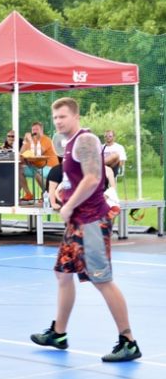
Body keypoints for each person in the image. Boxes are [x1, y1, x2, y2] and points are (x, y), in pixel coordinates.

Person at [30, 97, 141, 362]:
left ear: (75, 117)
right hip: (77, 221)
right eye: (55, 118)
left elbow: (92, 178)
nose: (58, 122)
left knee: (102, 280)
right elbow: (74, 178)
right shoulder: (66, 144)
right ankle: (59, 333)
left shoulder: (86, 141)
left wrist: (69, 206)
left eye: (63, 117)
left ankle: (128, 341)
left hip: (91, 220)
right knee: (62, 274)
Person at [19, 122, 59, 200]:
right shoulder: (30, 141)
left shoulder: (46, 140)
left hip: (50, 167)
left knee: (37, 173)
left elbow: (38, 153)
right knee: (18, 170)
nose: (34, 131)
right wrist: (24, 142)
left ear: (42, 130)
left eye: (37, 129)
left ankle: (47, 194)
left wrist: (30, 141)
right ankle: (28, 194)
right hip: (36, 167)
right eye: (33, 129)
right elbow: (21, 154)